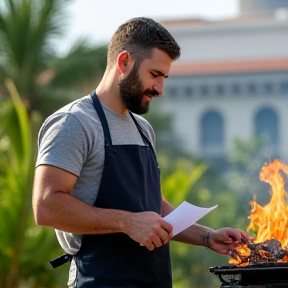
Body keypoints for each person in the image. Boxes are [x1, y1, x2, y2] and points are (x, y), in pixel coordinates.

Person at [32, 17, 251, 288]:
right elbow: (45, 206)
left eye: (164, 77)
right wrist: (127, 223)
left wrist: (207, 236)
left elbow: (150, 205)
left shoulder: (144, 129)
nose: (160, 89)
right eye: (155, 75)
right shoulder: (74, 123)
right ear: (124, 63)